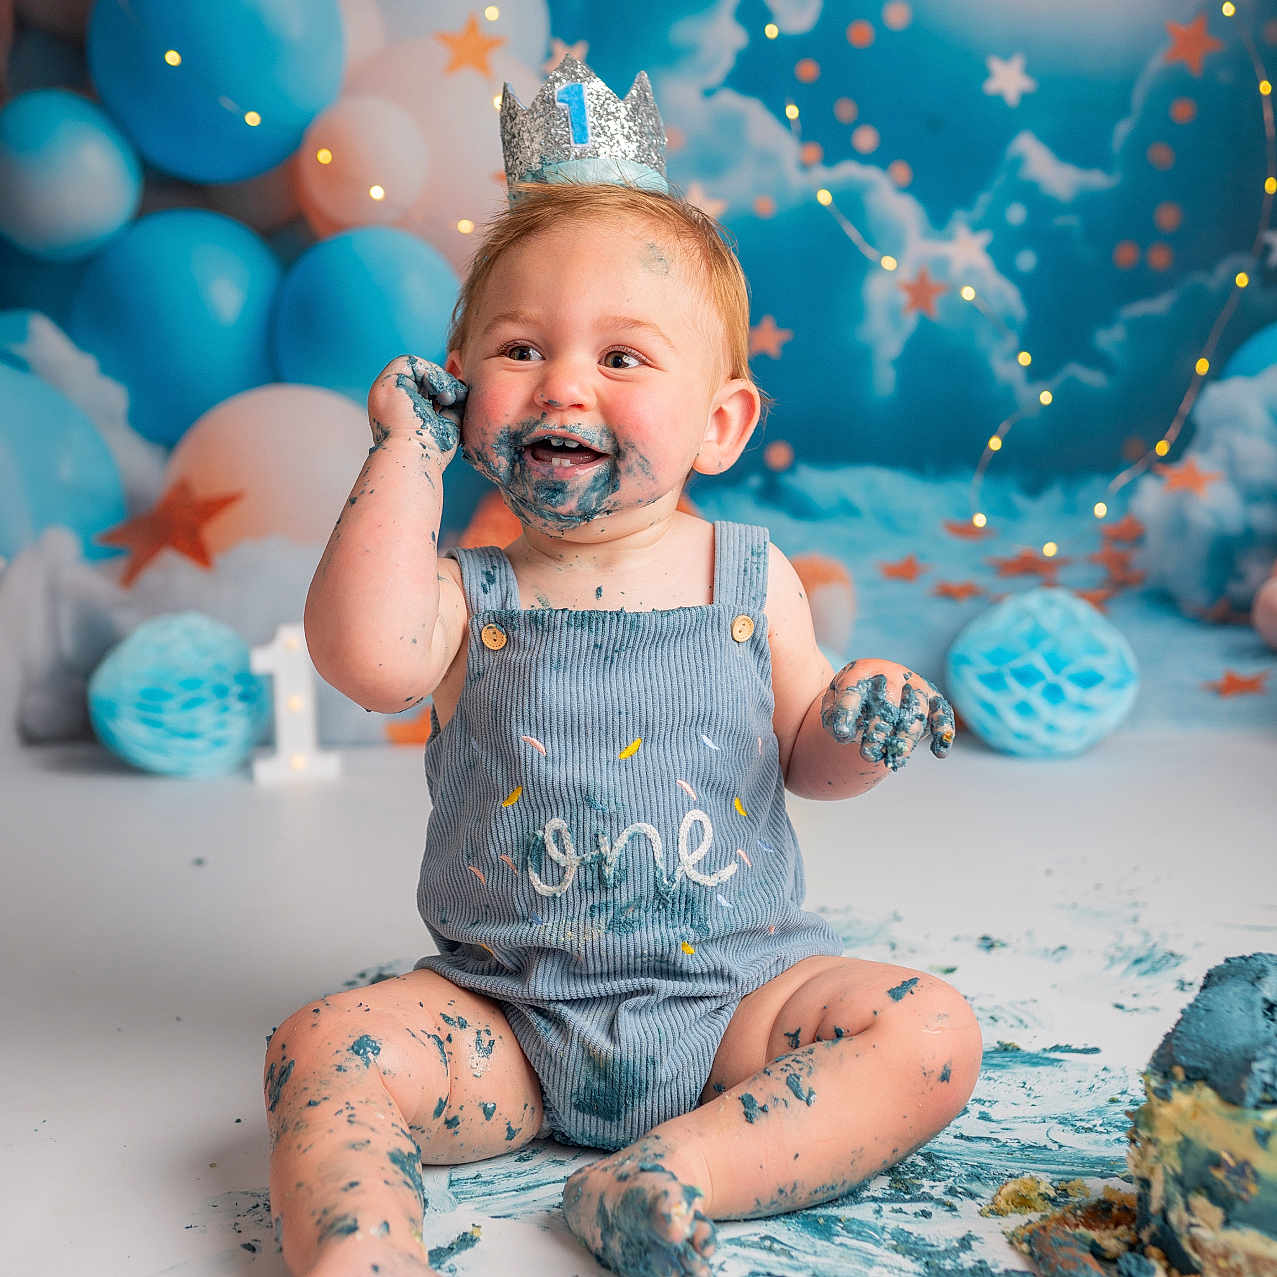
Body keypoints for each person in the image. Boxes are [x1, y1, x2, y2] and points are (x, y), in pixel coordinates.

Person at [264, 58, 981, 1277]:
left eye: (623, 358)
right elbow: (366, 661)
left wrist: (853, 730)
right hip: (504, 1020)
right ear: (463, 390)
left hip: (732, 1015)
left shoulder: (752, 579)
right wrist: (403, 462)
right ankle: (360, 1250)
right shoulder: (461, 592)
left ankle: (668, 1172)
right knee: (320, 1043)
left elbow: (803, 754)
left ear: (720, 422)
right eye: (518, 347)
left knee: (928, 1034)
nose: (563, 383)